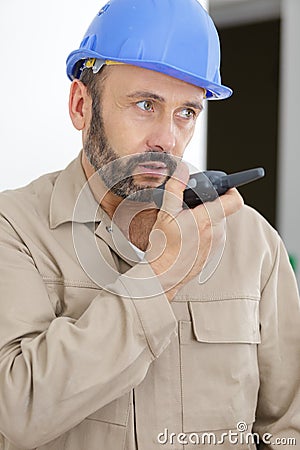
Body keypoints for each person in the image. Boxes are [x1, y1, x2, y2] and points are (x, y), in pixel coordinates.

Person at [0, 0, 299, 449]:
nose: (168, 139)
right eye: (145, 104)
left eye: (187, 112)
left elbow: (288, 428)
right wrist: (159, 277)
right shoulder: (15, 230)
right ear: (82, 105)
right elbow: (14, 415)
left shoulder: (253, 243)